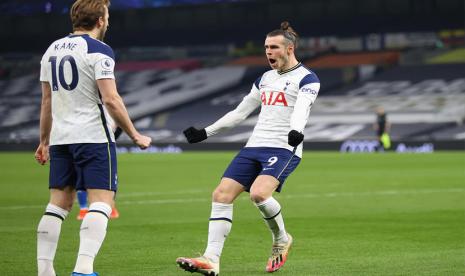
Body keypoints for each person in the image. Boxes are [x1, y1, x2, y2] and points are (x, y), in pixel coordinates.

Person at [176, 21, 320, 275]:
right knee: (221, 195)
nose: (268, 52)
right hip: (254, 146)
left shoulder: (307, 78)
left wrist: (296, 131)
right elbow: (240, 112)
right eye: (266, 47)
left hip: (284, 147)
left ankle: (282, 239)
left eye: (274, 47)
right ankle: (211, 259)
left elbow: (302, 108)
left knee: (258, 194)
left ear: (289, 49)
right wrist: (205, 132)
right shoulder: (264, 78)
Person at [34, 1, 151, 275]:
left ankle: (44, 271)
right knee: (102, 202)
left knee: (58, 204)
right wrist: (134, 135)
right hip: (93, 137)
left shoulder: (51, 50)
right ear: (100, 20)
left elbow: (46, 102)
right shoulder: (100, 50)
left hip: (62, 139)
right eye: (107, 16)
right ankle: (84, 269)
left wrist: (44, 141)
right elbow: (110, 99)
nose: (107, 21)